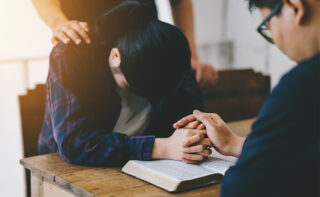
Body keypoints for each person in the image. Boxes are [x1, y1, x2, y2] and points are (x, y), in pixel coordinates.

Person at [38, 1, 213, 166]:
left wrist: (194, 136)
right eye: (134, 87)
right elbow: (74, 144)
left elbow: (194, 116)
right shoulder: (71, 56)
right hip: (69, 168)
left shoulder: (166, 51)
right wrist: (162, 147)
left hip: (146, 166)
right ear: (115, 57)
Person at [174, 0, 320, 196]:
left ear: (295, 7)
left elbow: (241, 189)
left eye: (268, 25)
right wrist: (233, 143)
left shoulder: (304, 85)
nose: (277, 42)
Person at [31, 0, 218, 87]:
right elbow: (77, 144)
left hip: (144, 50)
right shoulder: (69, 58)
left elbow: (180, 2)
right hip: (88, 50)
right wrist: (60, 24)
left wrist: (191, 56)